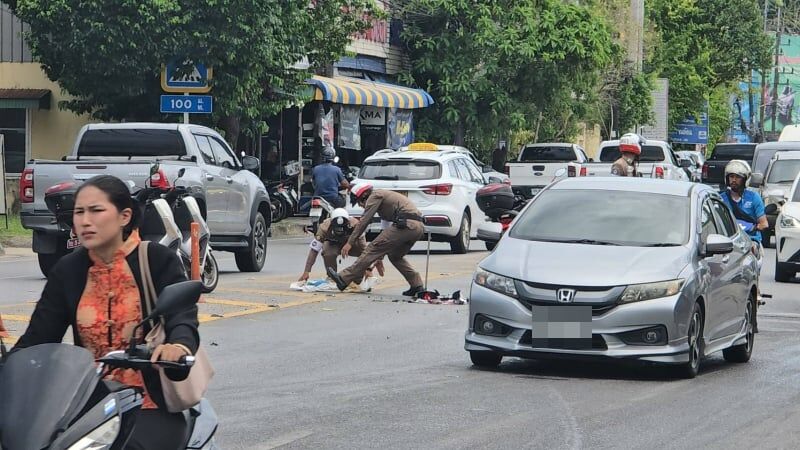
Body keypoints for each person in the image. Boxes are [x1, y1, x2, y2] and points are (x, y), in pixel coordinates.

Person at [11, 175, 198, 449]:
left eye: (96, 210)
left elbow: (182, 317)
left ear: (124, 216)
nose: (85, 220)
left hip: (148, 402)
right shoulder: (67, 270)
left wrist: (178, 347)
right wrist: (10, 368)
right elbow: (39, 337)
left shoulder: (157, 259)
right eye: (79, 212)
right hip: (85, 406)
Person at [327, 182, 425, 296]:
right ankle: (417, 285)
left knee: (372, 247)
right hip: (416, 227)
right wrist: (379, 256)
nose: (360, 205)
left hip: (406, 225)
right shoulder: (385, 200)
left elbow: (364, 221)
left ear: (364, 196)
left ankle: (343, 278)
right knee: (395, 256)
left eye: (359, 202)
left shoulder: (375, 195)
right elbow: (386, 233)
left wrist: (350, 242)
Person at [297, 208, 384, 282]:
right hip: (334, 244)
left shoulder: (356, 226)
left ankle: (360, 275)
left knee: (362, 259)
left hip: (352, 245)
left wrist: (368, 268)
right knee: (327, 251)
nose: (340, 232)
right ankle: (332, 277)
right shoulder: (324, 227)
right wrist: (306, 271)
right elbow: (314, 250)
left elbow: (365, 249)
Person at [720, 160, 768, 242]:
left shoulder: (753, 197)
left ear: (745, 179)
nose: (734, 180)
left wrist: (752, 227)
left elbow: (764, 224)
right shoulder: (721, 198)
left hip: (751, 240)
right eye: (731, 176)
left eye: (738, 177)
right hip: (729, 241)